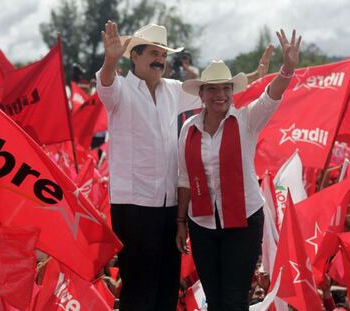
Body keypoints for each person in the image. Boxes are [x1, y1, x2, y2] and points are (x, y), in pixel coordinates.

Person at [96, 21, 272, 311]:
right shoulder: (119, 90)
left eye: (163, 55)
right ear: (134, 56)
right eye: (153, 53)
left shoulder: (172, 90)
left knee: (166, 286)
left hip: (169, 207)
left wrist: (253, 76)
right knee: (139, 289)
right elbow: (105, 83)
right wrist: (109, 60)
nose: (160, 60)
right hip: (134, 206)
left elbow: (215, 93)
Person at [176, 29, 301, 311]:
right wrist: (181, 222)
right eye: (213, 89)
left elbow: (271, 97)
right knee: (214, 298)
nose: (220, 95)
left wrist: (287, 70)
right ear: (202, 94)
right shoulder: (188, 129)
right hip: (201, 224)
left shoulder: (246, 120)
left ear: (232, 92)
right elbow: (183, 177)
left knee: (234, 298)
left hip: (243, 222)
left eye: (226, 88)